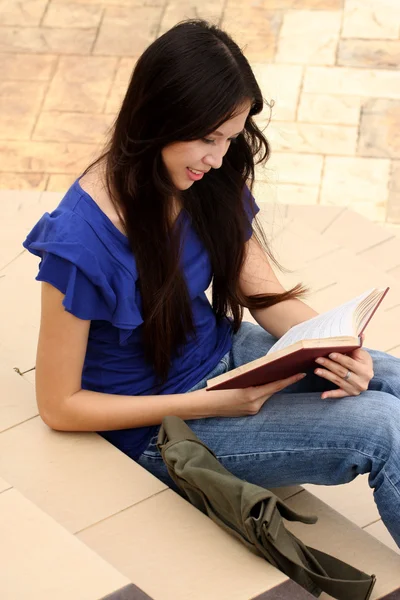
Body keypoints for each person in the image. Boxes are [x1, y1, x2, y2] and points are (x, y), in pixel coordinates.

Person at [23, 19, 400, 548]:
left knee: (388, 375)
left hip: (224, 357)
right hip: (162, 427)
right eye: (207, 138)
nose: (219, 157)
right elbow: (60, 406)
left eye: (228, 137)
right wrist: (213, 404)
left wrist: (335, 345)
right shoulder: (81, 243)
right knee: (381, 428)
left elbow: (262, 294)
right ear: (158, 118)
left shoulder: (203, 176)